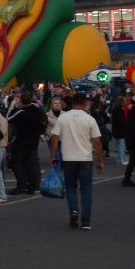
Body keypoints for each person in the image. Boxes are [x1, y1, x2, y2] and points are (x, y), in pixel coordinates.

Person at [48, 91, 104, 230]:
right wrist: (100, 160)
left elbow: (54, 137)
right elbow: (97, 142)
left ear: (72, 103)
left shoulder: (63, 117)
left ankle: (73, 210)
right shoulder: (89, 119)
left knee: (71, 187)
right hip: (85, 158)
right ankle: (86, 221)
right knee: (86, 189)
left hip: (68, 158)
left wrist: (53, 156)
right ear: (85, 103)